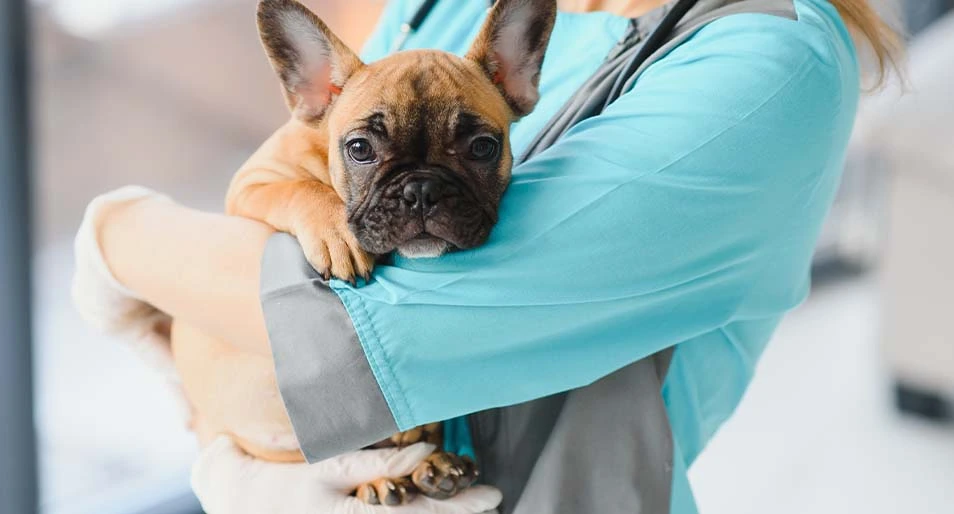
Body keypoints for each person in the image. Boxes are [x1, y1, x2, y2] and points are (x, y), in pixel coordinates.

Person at [72, 0, 900, 513]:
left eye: (473, 148)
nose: (422, 194)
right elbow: (272, 181)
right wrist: (230, 460)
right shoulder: (444, 13)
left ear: (516, 77)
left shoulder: (763, 61)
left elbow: (348, 337)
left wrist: (122, 236)